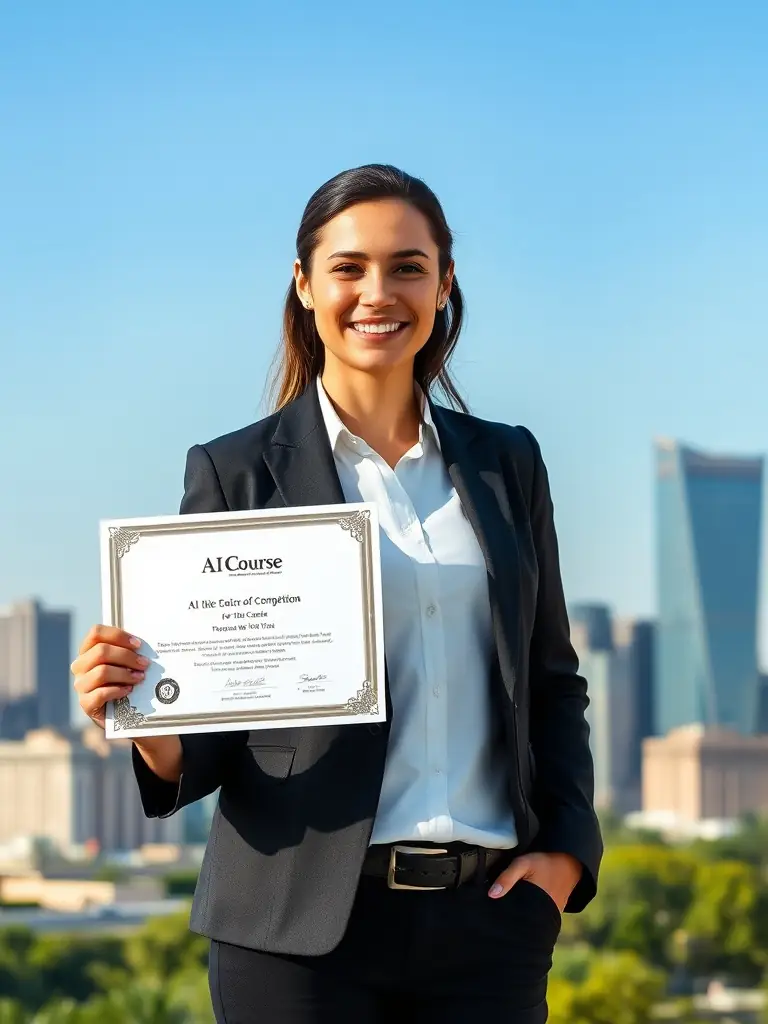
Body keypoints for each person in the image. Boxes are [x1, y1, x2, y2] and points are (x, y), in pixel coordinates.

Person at [72, 164, 602, 1023]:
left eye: (407, 266)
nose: (377, 292)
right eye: (349, 267)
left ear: (444, 284)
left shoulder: (510, 464)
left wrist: (567, 858)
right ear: (306, 286)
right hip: (294, 932)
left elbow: (551, 680)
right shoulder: (234, 470)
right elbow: (212, 725)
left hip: (490, 926)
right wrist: (145, 723)